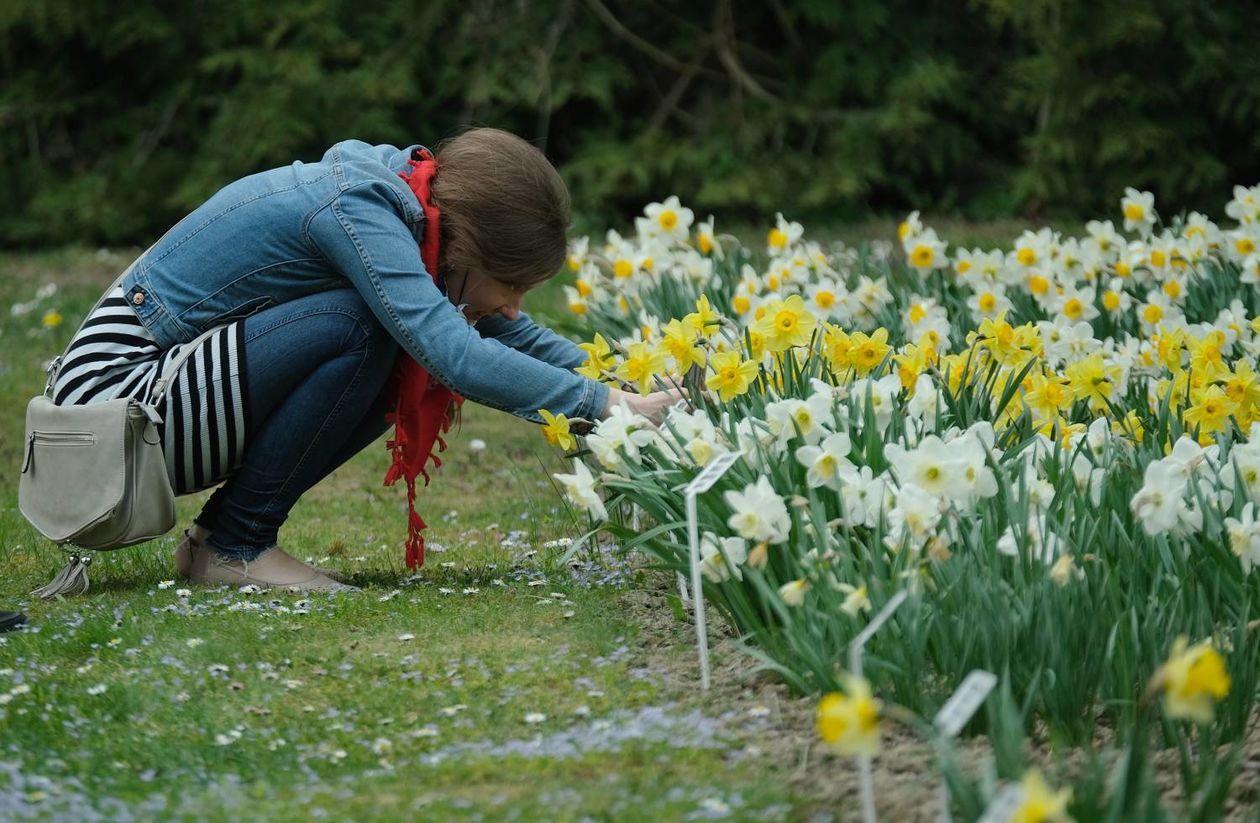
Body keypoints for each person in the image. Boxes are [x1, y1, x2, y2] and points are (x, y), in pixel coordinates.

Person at [48, 128, 679, 592]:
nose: (515, 307)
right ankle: (233, 547)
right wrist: (606, 406)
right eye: (511, 285)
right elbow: (454, 352)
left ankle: (224, 543)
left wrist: (626, 381)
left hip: (153, 403)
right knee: (373, 330)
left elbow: (503, 333)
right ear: (464, 245)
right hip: (112, 416)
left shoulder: (411, 203)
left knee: (394, 326)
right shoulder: (361, 209)